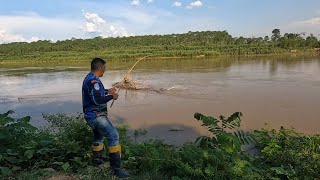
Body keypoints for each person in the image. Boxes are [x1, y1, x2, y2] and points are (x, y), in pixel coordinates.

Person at [82, 57, 129, 178]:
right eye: (104, 68)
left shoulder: (89, 78)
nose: (105, 70)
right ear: (99, 67)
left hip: (90, 115)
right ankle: (116, 170)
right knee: (114, 136)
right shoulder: (94, 81)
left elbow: (96, 93)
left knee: (98, 137)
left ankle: (97, 162)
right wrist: (112, 97)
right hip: (96, 116)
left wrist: (108, 90)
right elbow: (98, 100)